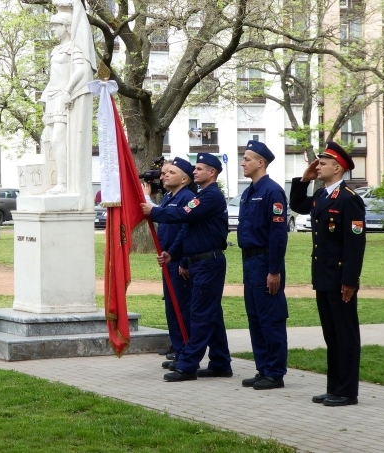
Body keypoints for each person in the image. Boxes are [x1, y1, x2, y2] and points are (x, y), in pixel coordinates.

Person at [142, 153, 231, 382]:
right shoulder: (202, 195)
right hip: (198, 261)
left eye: (199, 169)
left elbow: (182, 214)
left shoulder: (211, 197)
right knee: (211, 315)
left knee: (200, 315)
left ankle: (188, 364)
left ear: (212, 173)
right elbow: (186, 229)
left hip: (208, 263)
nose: (195, 172)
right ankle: (220, 362)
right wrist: (173, 253)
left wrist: (154, 211)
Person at [290, 142, 366, 407]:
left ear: (338, 167)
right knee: (331, 336)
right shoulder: (323, 196)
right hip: (323, 276)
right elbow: (298, 205)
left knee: (345, 335)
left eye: (322, 163)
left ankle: (347, 391)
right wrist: (303, 179)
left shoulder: (349, 199)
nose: (317, 166)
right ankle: (334, 387)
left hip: (339, 278)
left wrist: (350, 280)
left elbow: (355, 245)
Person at [237, 140, 289, 390]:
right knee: (255, 317)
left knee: (271, 317)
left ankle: (275, 372)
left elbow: (278, 235)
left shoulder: (272, 191)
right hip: (249, 261)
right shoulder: (248, 193)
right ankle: (262, 368)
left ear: (261, 162)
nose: (243, 163)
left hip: (266, 261)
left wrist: (274, 270)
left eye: (247, 159)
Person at [39, 0, 97, 200]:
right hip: (52, 97)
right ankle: (56, 180)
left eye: (56, 25)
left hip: (64, 97)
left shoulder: (75, 48)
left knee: (58, 140)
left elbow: (82, 70)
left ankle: (63, 183)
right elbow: (53, 77)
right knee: (48, 141)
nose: (52, 29)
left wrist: (68, 90)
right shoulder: (56, 49)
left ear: (66, 26)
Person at [143, 158, 194, 370]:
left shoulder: (187, 198)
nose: (163, 176)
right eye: (164, 173)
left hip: (178, 260)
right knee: (171, 306)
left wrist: (181, 259)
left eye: (170, 173)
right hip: (168, 258)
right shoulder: (168, 198)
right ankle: (178, 347)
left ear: (184, 178)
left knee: (182, 306)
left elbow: (185, 231)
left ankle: (185, 349)